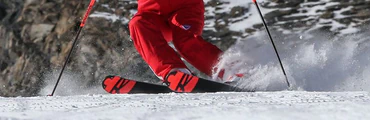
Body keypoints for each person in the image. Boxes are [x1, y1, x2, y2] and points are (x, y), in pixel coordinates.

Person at [129, 0, 238, 91]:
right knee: (138, 24)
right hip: (151, 13)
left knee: (185, 41)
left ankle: (231, 71)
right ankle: (176, 73)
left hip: (185, 8)